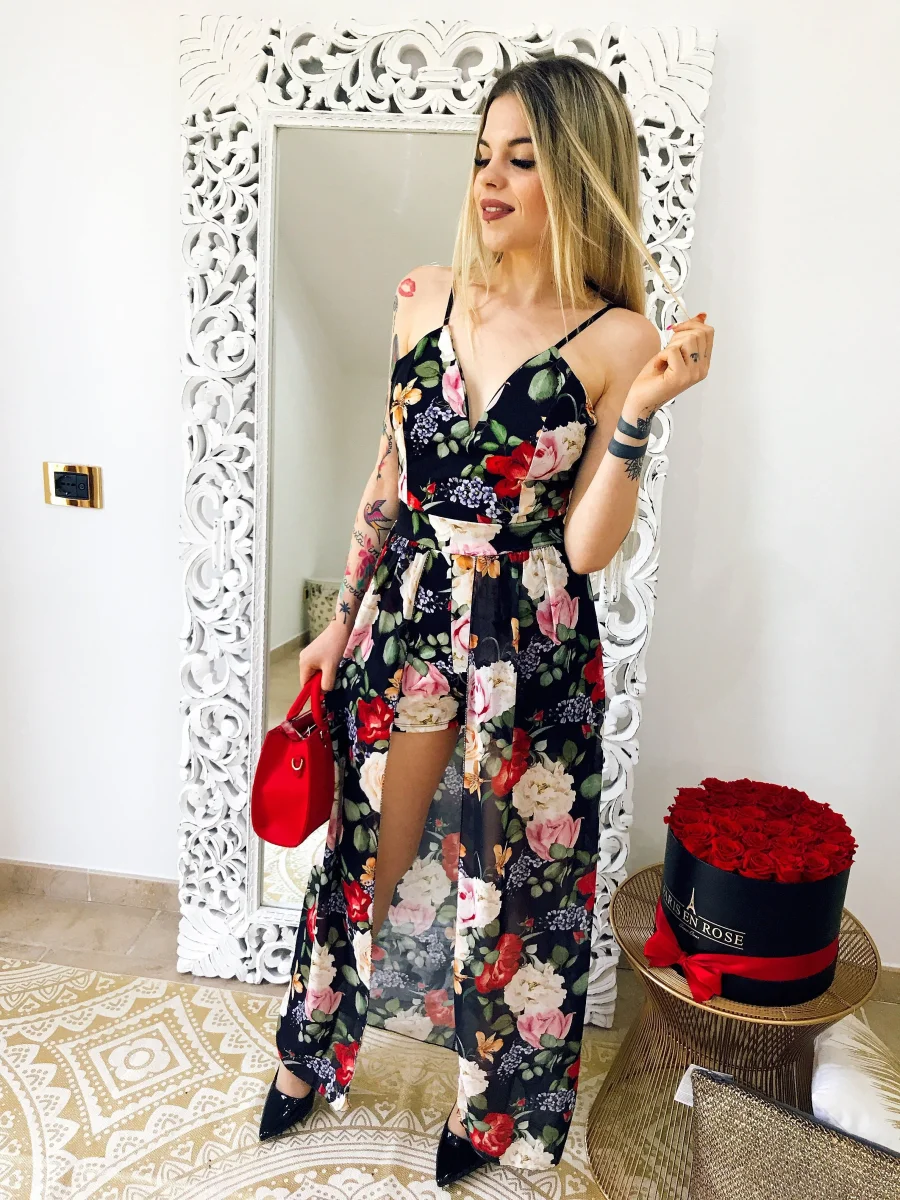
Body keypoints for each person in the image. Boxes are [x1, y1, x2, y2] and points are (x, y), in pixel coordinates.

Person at [259, 55, 714, 1186]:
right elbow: (387, 474)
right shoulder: (424, 293)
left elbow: (588, 548)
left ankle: (494, 1107)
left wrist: (641, 413)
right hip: (411, 614)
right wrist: (341, 617)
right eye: (482, 157)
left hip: (533, 638)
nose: (491, 180)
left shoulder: (619, 337)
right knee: (368, 842)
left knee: (512, 882)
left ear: (579, 175)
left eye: (523, 159)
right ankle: (312, 1047)